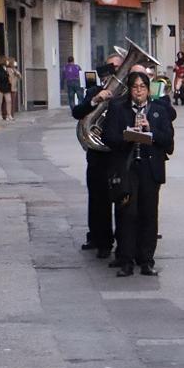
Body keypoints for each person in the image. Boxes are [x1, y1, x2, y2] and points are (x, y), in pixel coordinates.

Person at [102, 72, 174, 277]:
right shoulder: (118, 108)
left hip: (150, 169)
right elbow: (108, 137)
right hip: (128, 168)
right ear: (129, 89)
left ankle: (146, 260)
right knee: (127, 214)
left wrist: (150, 131)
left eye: (143, 86)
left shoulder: (159, 110)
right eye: (135, 87)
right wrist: (128, 135)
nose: (139, 91)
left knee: (149, 215)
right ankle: (126, 259)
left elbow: (168, 142)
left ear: (148, 89)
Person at [71, 77, 117, 258]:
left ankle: (123, 243)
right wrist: (96, 100)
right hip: (97, 155)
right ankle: (99, 240)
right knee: (98, 199)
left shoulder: (125, 94)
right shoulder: (93, 92)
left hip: (117, 153)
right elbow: (77, 112)